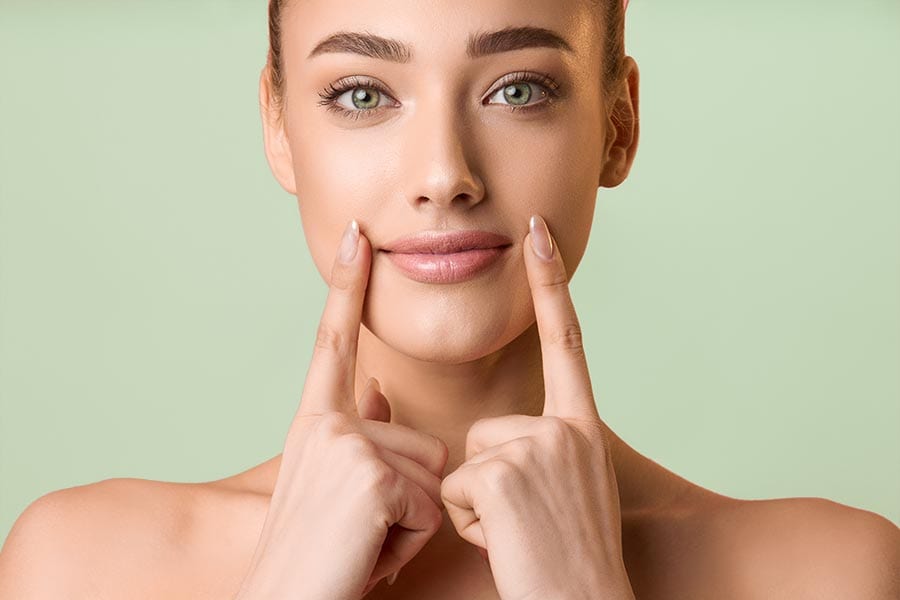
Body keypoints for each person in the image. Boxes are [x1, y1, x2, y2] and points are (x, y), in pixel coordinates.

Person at [1, 0, 897, 598]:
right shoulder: (81, 566)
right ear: (279, 127)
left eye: (519, 89)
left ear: (618, 125)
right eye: (361, 93)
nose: (445, 175)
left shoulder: (832, 574)